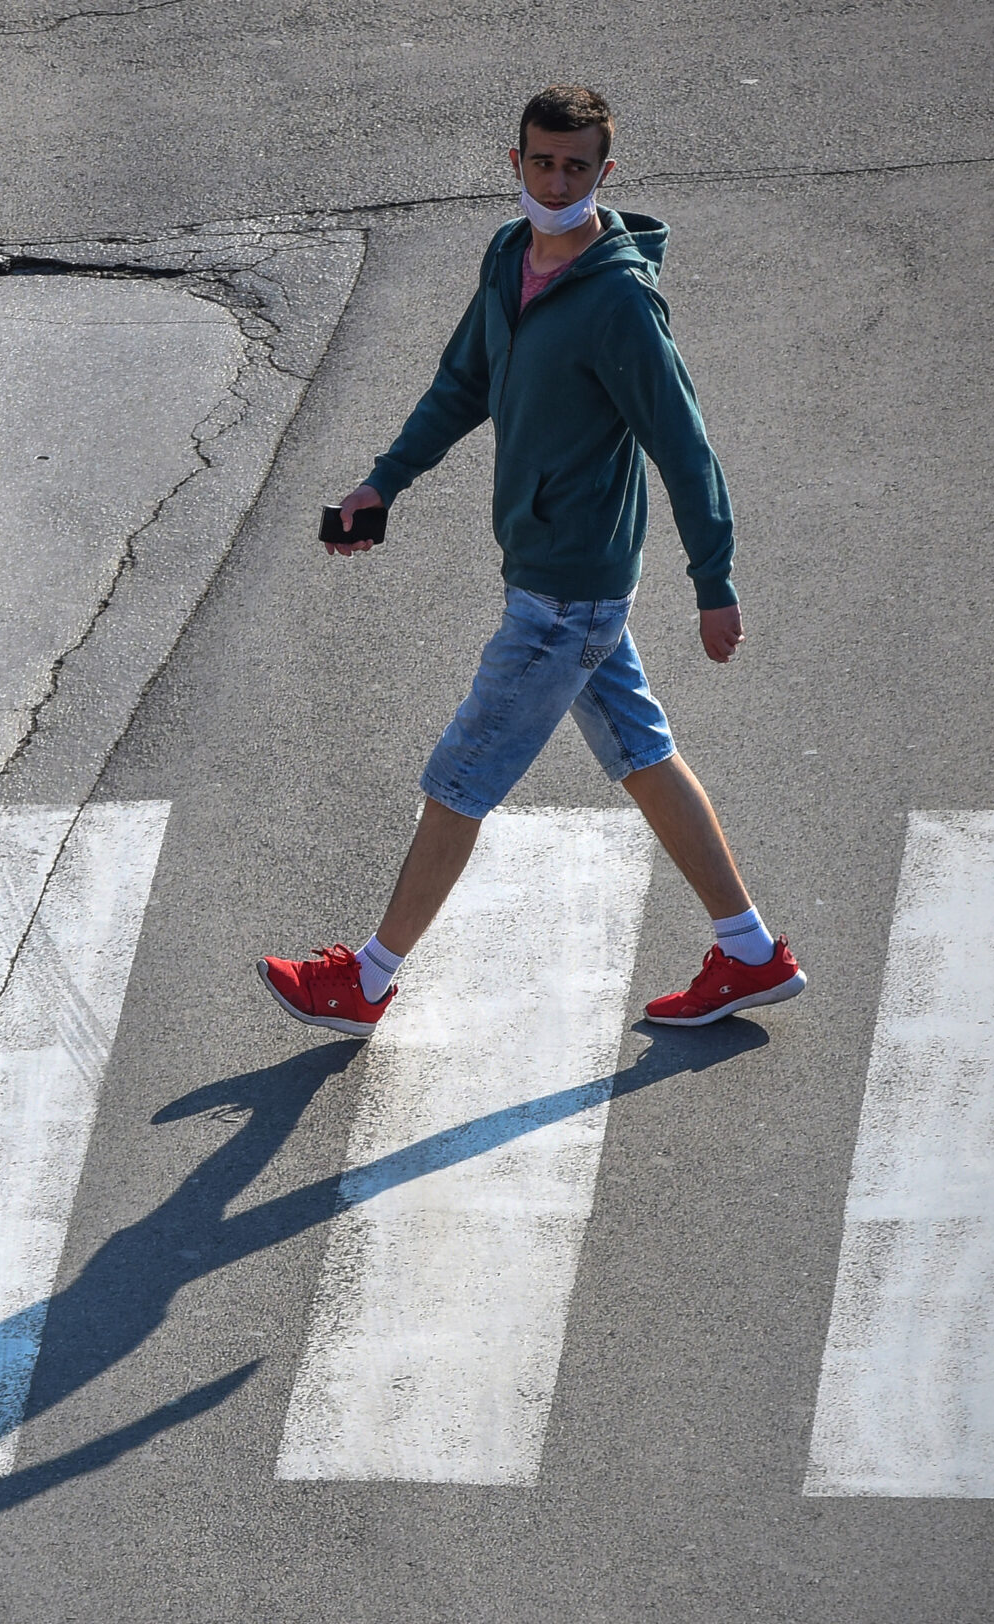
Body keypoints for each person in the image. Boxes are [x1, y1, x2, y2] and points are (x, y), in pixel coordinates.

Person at [259, 84, 805, 1036]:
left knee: (459, 778)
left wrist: (713, 584)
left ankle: (368, 981)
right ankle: (752, 954)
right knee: (643, 754)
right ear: (515, 162)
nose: (557, 182)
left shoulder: (620, 304)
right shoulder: (511, 255)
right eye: (542, 163)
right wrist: (385, 482)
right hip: (556, 574)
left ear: (605, 171)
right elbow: (462, 381)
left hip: (566, 593)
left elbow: (686, 449)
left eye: (576, 167)